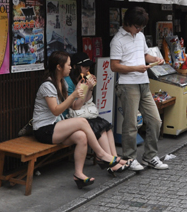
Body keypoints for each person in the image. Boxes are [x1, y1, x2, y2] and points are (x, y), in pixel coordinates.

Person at [32, 51, 125, 189]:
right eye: (68, 65)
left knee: (81, 137)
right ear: (59, 67)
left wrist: (84, 89)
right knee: (82, 122)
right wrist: (73, 94)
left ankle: (78, 174)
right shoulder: (48, 85)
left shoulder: (62, 83)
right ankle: (101, 155)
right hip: (43, 129)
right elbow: (56, 110)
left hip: (56, 126)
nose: (70, 67)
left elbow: (75, 106)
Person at [110, 7, 168, 171]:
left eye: (142, 26)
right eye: (137, 26)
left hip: (143, 82)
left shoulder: (140, 36)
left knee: (155, 120)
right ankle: (129, 157)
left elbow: (145, 55)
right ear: (127, 23)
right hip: (128, 85)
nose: (140, 29)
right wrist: (135, 68)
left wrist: (156, 59)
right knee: (130, 123)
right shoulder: (117, 40)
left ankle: (150, 156)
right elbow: (114, 66)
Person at [67, 53, 127, 176]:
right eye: (85, 66)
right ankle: (110, 162)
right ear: (75, 66)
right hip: (75, 117)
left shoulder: (82, 78)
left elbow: (87, 100)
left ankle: (114, 158)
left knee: (106, 127)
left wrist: (89, 88)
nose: (88, 69)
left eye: (89, 66)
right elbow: (76, 106)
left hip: (85, 114)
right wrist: (86, 88)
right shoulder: (69, 81)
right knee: (100, 129)